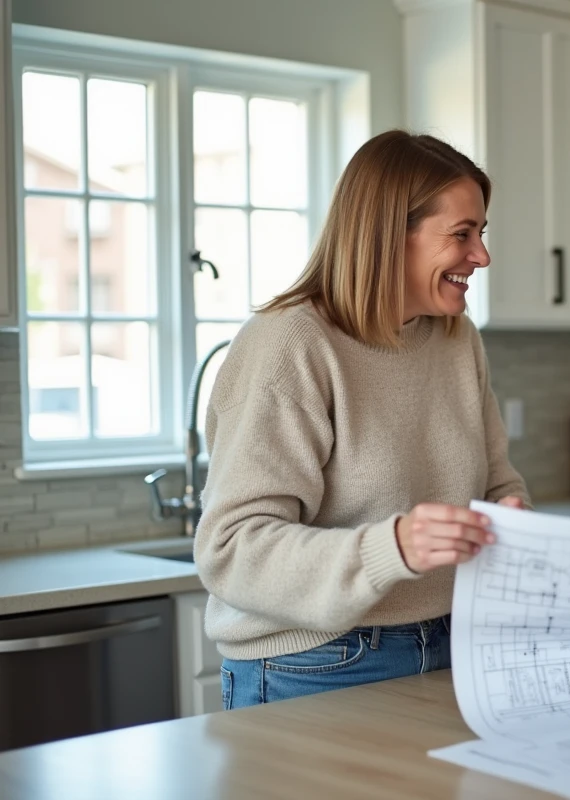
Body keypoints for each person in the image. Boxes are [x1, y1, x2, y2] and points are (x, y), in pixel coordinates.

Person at [195, 130, 529, 709]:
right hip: (313, 663)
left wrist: (510, 518)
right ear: (389, 235)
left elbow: (496, 483)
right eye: (462, 234)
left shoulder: (456, 339)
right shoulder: (291, 344)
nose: (481, 256)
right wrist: (391, 547)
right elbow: (232, 550)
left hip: (451, 643)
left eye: (482, 233)